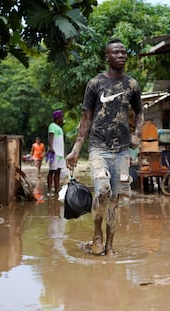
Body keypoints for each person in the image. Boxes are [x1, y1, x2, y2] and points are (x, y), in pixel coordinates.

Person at [66, 38, 144, 256]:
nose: (121, 56)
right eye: (116, 52)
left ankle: (109, 246)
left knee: (115, 200)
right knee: (102, 191)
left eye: (124, 52)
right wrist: (75, 149)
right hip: (98, 147)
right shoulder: (95, 84)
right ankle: (96, 234)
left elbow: (140, 113)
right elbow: (86, 118)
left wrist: (138, 135)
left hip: (122, 150)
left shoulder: (132, 85)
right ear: (107, 56)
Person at [47, 110, 66, 196]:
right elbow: (51, 136)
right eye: (61, 117)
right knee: (52, 171)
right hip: (54, 153)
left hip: (60, 154)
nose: (62, 119)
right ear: (57, 118)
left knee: (58, 172)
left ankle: (57, 189)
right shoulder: (52, 126)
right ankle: (49, 190)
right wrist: (51, 147)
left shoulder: (60, 128)